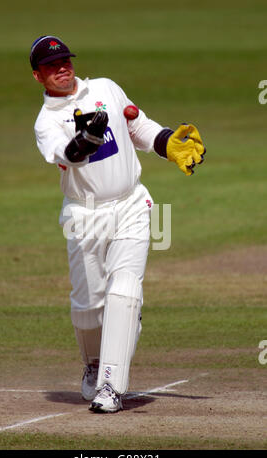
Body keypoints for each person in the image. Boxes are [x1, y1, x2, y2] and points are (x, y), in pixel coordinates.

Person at [30, 35, 205, 413]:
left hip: (130, 203)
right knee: (88, 305)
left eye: (65, 61)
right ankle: (93, 365)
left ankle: (111, 386)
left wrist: (167, 144)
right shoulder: (47, 122)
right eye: (50, 66)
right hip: (84, 215)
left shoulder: (106, 88)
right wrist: (87, 138)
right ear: (37, 76)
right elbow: (68, 155)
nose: (61, 68)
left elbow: (137, 126)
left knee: (124, 291)